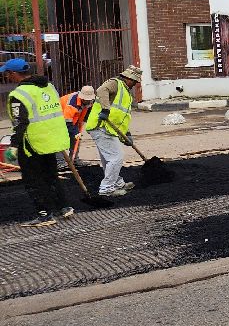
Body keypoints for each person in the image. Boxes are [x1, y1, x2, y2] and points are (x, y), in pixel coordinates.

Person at [3, 57, 74, 226]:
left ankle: (44, 215)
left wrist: (14, 145)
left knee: (33, 180)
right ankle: (64, 207)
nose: (7, 77)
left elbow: (21, 123)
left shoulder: (18, 94)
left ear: (13, 74)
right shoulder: (48, 86)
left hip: (32, 143)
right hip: (51, 139)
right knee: (51, 175)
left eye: (7, 74)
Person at [87, 65, 142, 198]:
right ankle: (106, 188)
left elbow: (121, 117)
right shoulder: (115, 83)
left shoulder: (125, 92)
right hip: (101, 126)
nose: (134, 84)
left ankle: (117, 183)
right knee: (116, 158)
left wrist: (127, 134)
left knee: (109, 159)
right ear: (128, 78)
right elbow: (101, 90)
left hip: (109, 129)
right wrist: (105, 110)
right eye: (134, 81)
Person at [61, 84, 96, 158]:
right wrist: (75, 132)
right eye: (86, 100)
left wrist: (78, 128)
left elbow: (85, 114)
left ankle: (74, 159)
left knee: (76, 138)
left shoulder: (89, 102)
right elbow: (67, 122)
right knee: (60, 139)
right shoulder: (72, 103)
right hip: (59, 119)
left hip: (73, 120)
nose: (89, 101)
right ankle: (61, 161)